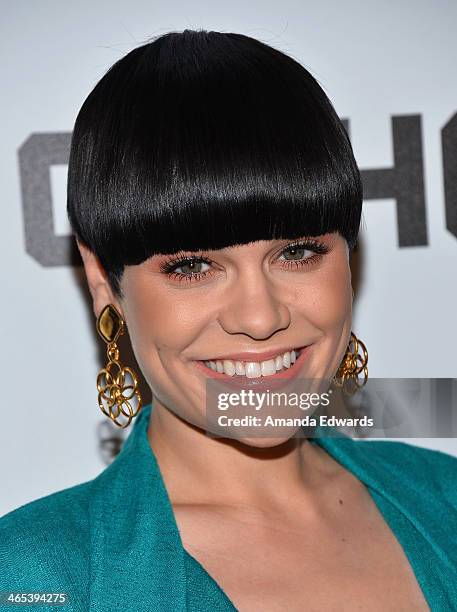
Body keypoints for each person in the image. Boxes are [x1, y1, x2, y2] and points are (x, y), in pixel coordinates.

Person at [1, 29, 456, 612]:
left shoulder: (447, 500)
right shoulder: (37, 579)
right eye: (192, 266)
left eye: (298, 252)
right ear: (101, 279)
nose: (260, 317)